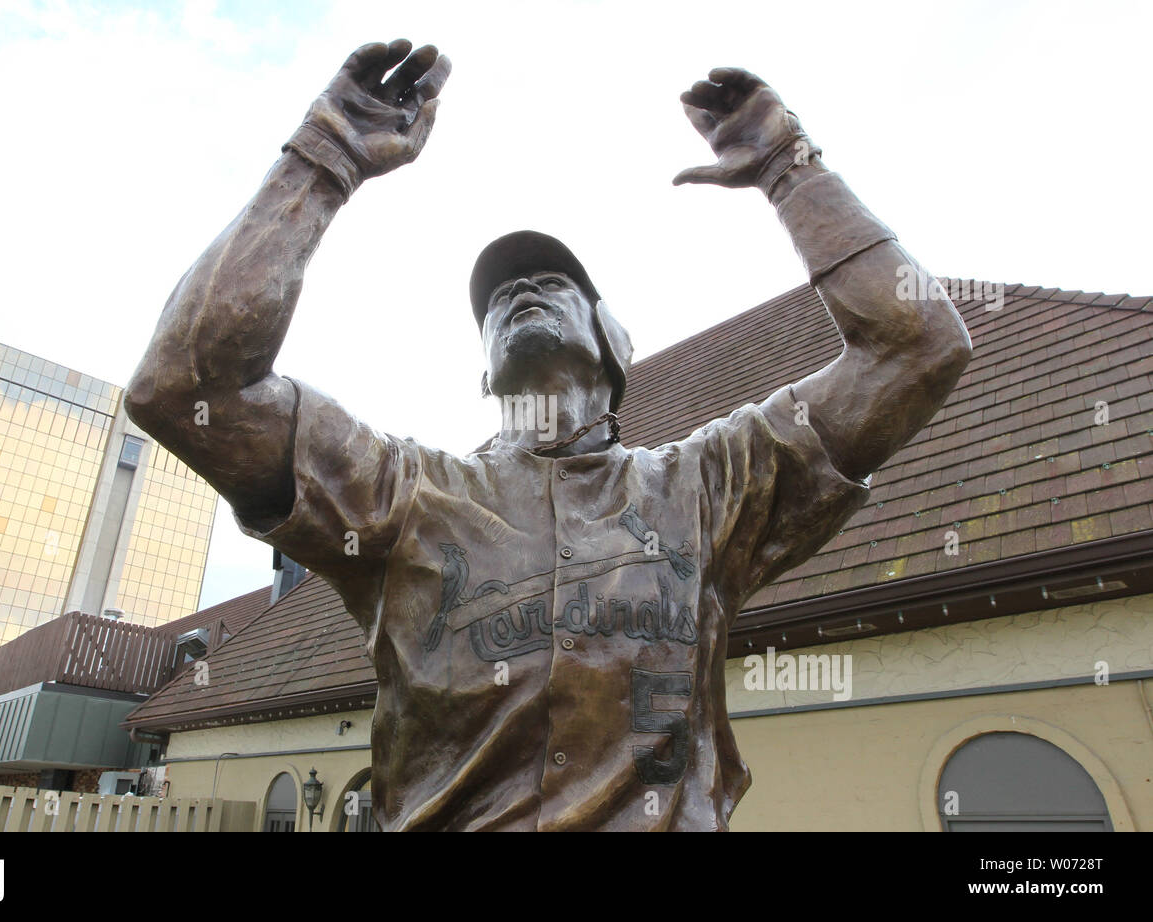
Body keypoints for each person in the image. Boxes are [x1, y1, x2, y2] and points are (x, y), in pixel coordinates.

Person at [125, 40, 972, 830]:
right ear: (484, 375)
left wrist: (793, 170)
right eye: (499, 296)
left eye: (552, 281)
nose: (518, 290)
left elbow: (918, 347)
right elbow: (185, 386)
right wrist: (327, 153)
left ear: (615, 343)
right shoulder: (404, 495)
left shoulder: (706, 488)